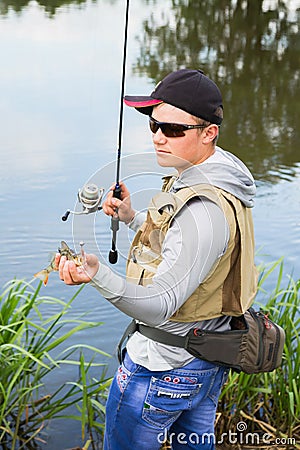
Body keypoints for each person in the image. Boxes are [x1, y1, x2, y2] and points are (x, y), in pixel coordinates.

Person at [57, 69, 257, 450]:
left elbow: (161, 304)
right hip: (203, 363)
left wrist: (97, 274)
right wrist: (132, 218)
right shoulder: (217, 179)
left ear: (208, 132)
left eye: (173, 129)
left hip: (161, 369)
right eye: (153, 125)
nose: (158, 137)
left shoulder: (203, 208)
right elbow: (188, 257)